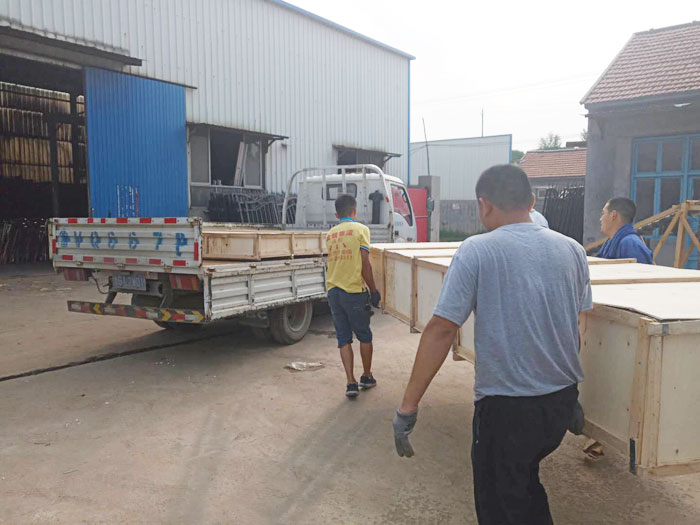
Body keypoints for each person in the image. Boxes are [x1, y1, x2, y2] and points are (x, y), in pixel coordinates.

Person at [392, 164, 592, 524]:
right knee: (524, 485)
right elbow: (575, 325)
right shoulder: (573, 250)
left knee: (501, 506)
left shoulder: (477, 251)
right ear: (532, 201)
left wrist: (408, 407)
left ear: (483, 205)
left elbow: (441, 330)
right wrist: (569, 390)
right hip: (559, 403)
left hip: (508, 410)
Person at [326, 194, 381, 398]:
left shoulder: (330, 234)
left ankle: (350, 383)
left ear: (337, 214)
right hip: (353, 292)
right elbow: (365, 264)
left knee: (343, 338)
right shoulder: (361, 230)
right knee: (364, 335)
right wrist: (373, 290)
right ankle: (366, 377)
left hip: (333, 291)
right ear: (355, 211)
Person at [597, 197, 653, 264]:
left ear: (613, 215)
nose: (601, 219)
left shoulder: (630, 244)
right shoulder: (610, 242)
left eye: (603, 213)